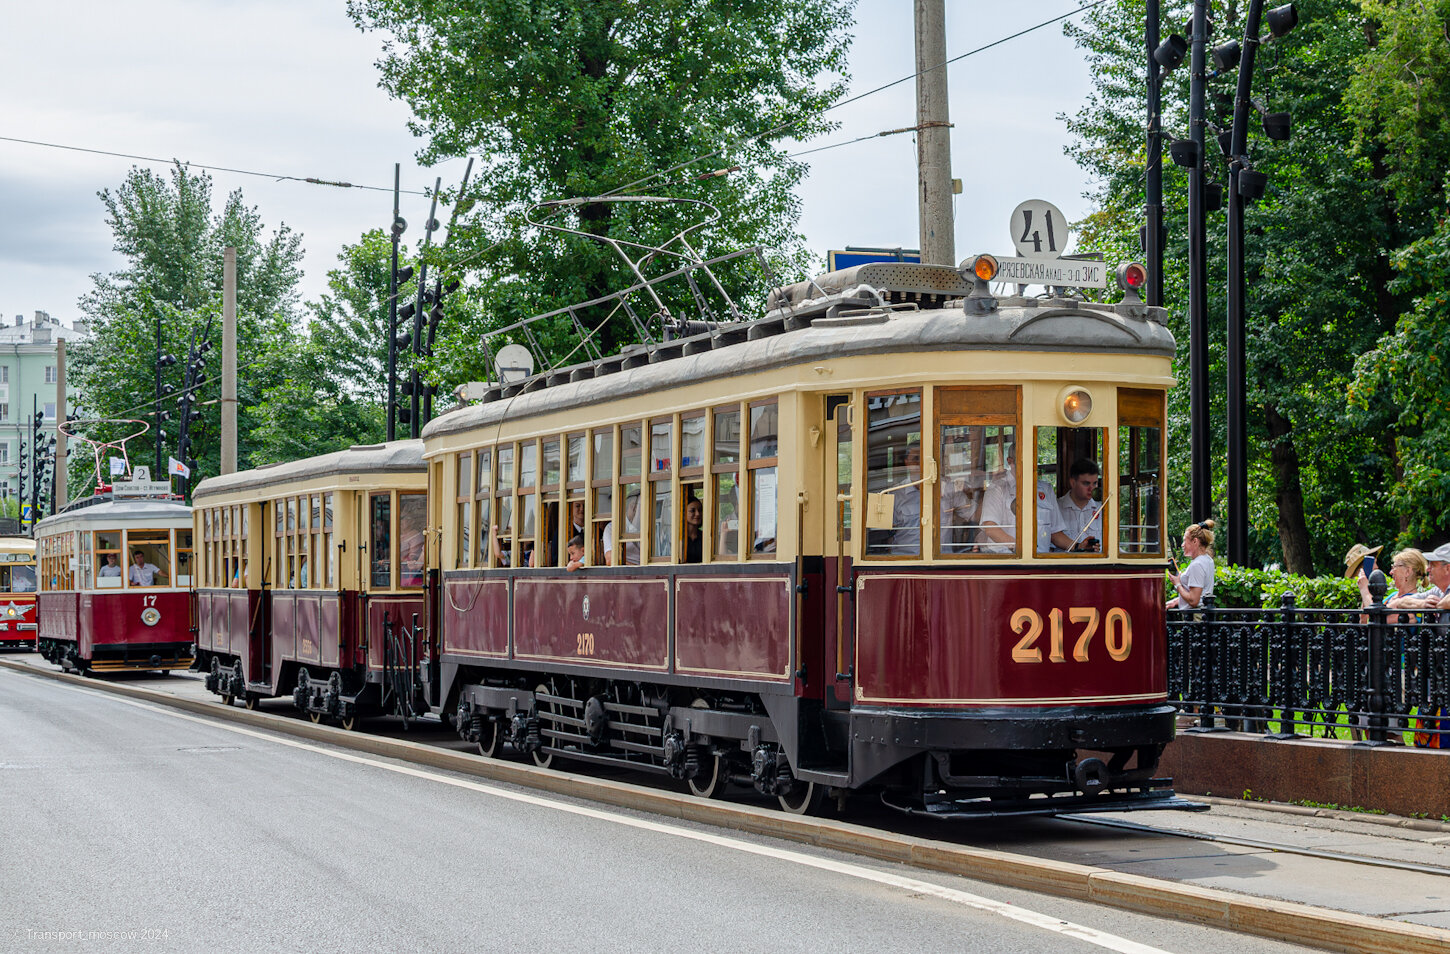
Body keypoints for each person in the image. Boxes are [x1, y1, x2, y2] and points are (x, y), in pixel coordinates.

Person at [1166, 519, 1215, 609]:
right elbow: (1201, 595)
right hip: (1203, 614)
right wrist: (1176, 601)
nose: (1182, 545)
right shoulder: (1207, 560)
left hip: (1195, 617)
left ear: (1195, 541)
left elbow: (1194, 600)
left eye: (1185, 541)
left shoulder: (1197, 564)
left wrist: (1177, 584)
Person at [1057, 458, 1103, 551]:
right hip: (1064, 564)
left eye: (1095, 483)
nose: (1091, 488)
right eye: (1086, 483)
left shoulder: (1102, 509)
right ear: (1073, 482)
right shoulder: (1056, 508)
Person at [975, 457, 1016, 554]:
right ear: (1010, 462)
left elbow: (1054, 531)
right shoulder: (997, 488)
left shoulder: (1044, 488)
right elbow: (978, 520)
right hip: (1004, 554)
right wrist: (1019, 548)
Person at [889, 444, 923, 554]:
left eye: (923, 458)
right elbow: (884, 533)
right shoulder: (895, 494)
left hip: (943, 562)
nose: (920, 463)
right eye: (916, 459)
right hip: (904, 561)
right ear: (907, 463)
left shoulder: (948, 491)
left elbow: (973, 515)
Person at [683, 496, 703, 564]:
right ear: (683, 513)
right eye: (692, 511)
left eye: (700, 510)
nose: (697, 514)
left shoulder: (705, 537)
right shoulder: (678, 538)